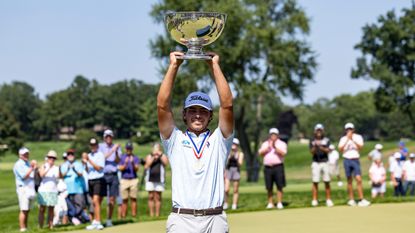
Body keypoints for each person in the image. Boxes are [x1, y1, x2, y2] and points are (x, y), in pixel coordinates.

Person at [158, 51, 234, 233]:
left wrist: (214, 65)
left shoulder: (220, 140)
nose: (198, 115)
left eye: (203, 111)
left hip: (214, 219)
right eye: (192, 110)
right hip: (181, 219)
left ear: (210, 116)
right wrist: (174, 66)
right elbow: (162, 105)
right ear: (184, 114)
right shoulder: (174, 139)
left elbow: (227, 104)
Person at [338, 122, 370, 207]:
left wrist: (352, 139)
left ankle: (361, 199)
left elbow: (361, 147)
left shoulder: (358, 137)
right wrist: (347, 140)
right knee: (349, 180)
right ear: (345, 130)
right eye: (347, 129)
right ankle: (351, 199)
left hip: (355, 159)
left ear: (353, 129)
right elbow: (340, 149)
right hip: (346, 160)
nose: (349, 131)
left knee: (359, 179)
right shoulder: (343, 139)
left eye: (350, 129)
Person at [258, 128, 288, 209]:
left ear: (277, 135)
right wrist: (267, 148)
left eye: (274, 134)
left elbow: (283, 153)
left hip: (278, 167)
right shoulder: (265, 144)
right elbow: (260, 153)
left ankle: (279, 203)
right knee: (269, 186)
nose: (273, 136)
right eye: (272, 134)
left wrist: (275, 147)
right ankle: (270, 203)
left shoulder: (282, 143)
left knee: (279, 185)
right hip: (268, 167)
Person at [98, 129, 122, 227]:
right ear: (104, 137)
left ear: (112, 137)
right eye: (107, 136)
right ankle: (98, 220)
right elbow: (101, 158)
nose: (108, 138)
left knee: (112, 199)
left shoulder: (116, 147)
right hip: (103, 175)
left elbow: (117, 161)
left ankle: (109, 219)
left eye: (110, 136)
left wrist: (115, 152)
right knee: (99, 198)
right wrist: (112, 150)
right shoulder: (100, 146)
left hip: (113, 174)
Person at [309, 124, 333, 207]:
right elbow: (311, 152)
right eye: (317, 130)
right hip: (316, 162)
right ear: (315, 131)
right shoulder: (312, 140)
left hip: (325, 162)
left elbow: (329, 150)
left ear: (323, 131)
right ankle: (315, 200)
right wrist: (315, 146)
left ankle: (328, 199)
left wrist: (321, 147)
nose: (319, 132)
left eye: (320, 130)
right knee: (315, 181)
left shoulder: (326, 140)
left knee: (327, 181)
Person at [60, 149, 87, 225]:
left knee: (80, 205)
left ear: (74, 155)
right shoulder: (64, 165)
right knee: (70, 207)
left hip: (78, 188)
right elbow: (61, 175)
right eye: (69, 154)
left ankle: (76, 218)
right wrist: (68, 169)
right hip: (67, 190)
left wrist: (74, 169)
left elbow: (80, 174)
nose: (70, 156)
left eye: (72, 154)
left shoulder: (78, 164)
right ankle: (74, 219)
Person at [13, 147, 37, 232]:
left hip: (30, 188)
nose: (26, 155)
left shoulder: (27, 163)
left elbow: (32, 175)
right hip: (23, 188)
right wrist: (32, 168)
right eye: (24, 154)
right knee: (23, 209)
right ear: (20, 155)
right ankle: (22, 228)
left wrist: (34, 167)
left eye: (27, 154)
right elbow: (24, 176)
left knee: (27, 209)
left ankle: (25, 228)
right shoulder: (18, 164)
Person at [84, 138, 106, 230]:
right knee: (94, 202)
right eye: (91, 145)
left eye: (94, 145)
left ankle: (98, 221)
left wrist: (89, 160)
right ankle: (95, 221)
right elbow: (87, 170)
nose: (93, 147)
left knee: (96, 200)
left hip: (98, 179)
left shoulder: (100, 155)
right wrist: (85, 163)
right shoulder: (89, 155)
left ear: (97, 145)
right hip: (90, 180)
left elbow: (99, 168)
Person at [144, 143, 168, 217]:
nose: (156, 150)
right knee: (150, 196)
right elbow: (147, 165)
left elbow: (166, 163)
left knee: (158, 197)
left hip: (160, 179)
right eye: (155, 148)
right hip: (150, 179)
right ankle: (151, 215)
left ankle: (157, 215)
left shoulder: (163, 156)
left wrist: (160, 156)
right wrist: (153, 157)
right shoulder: (149, 156)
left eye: (157, 148)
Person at [37, 150, 60, 229]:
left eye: (53, 158)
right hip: (43, 190)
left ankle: (51, 226)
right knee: (42, 209)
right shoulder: (43, 166)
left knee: (51, 209)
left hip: (53, 190)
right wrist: (48, 168)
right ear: (47, 158)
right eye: (50, 157)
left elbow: (59, 177)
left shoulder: (56, 168)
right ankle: (40, 227)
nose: (52, 159)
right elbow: (42, 175)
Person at [118, 142, 140, 218]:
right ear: (125, 149)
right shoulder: (122, 157)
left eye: (130, 148)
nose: (129, 150)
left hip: (133, 179)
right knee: (124, 199)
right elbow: (120, 168)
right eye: (127, 148)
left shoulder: (135, 158)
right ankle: (123, 216)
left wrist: (133, 163)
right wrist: (125, 163)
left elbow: (137, 169)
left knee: (133, 198)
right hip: (124, 180)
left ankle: (134, 216)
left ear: (132, 149)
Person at [224, 138, 244, 210]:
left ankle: (234, 205)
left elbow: (240, 164)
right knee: (226, 189)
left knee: (235, 190)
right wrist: (229, 156)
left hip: (236, 170)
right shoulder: (227, 152)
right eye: (232, 144)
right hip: (228, 170)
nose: (233, 146)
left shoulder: (240, 154)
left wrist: (236, 157)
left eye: (235, 144)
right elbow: (225, 163)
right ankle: (226, 203)